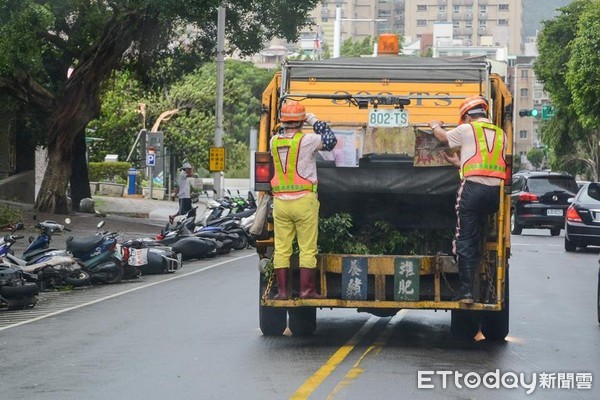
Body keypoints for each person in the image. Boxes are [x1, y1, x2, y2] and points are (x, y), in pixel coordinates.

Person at [428, 95, 507, 304]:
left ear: (467, 117)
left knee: (464, 238)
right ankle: (473, 281)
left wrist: (435, 125)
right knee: (477, 232)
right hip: (493, 195)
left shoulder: (467, 129)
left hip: (472, 190)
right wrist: (460, 163)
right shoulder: (501, 134)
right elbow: (486, 163)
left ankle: (466, 292)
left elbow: (443, 138)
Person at [270, 100, 337, 299]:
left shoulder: (274, 141)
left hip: (281, 203)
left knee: (282, 248)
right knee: (307, 247)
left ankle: (282, 292)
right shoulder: (306, 141)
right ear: (301, 122)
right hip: (303, 201)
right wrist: (313, 119)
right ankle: (306, 290)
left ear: (283, 121)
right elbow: (330, 140)